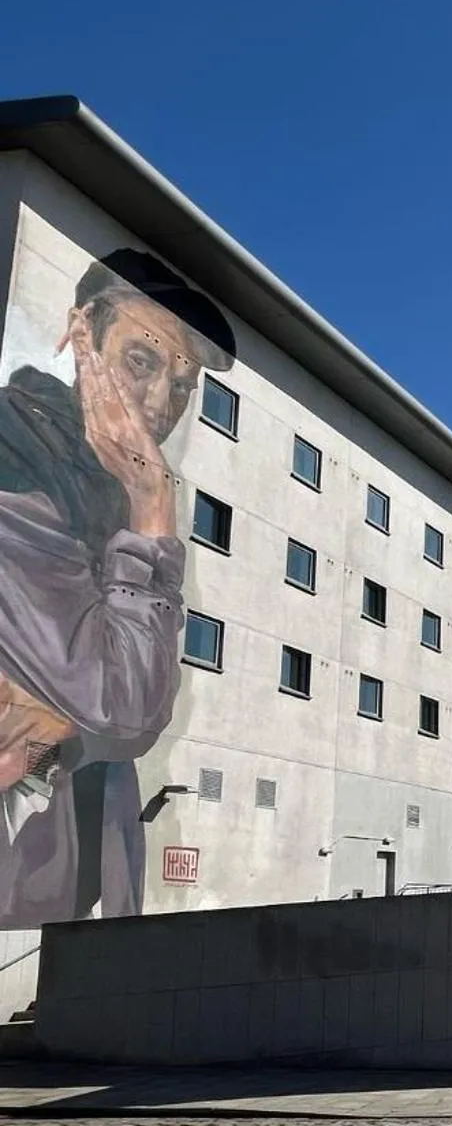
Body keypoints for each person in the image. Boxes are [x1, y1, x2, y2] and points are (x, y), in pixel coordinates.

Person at [0, 248, 236, 928]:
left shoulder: (109, 481)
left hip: (74, 888)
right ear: (82, 338)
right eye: (142, 361)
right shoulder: (16, 463)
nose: (161, 404)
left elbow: (113, 712)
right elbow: (127, 709)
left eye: (184, 385)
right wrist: (152, 502)